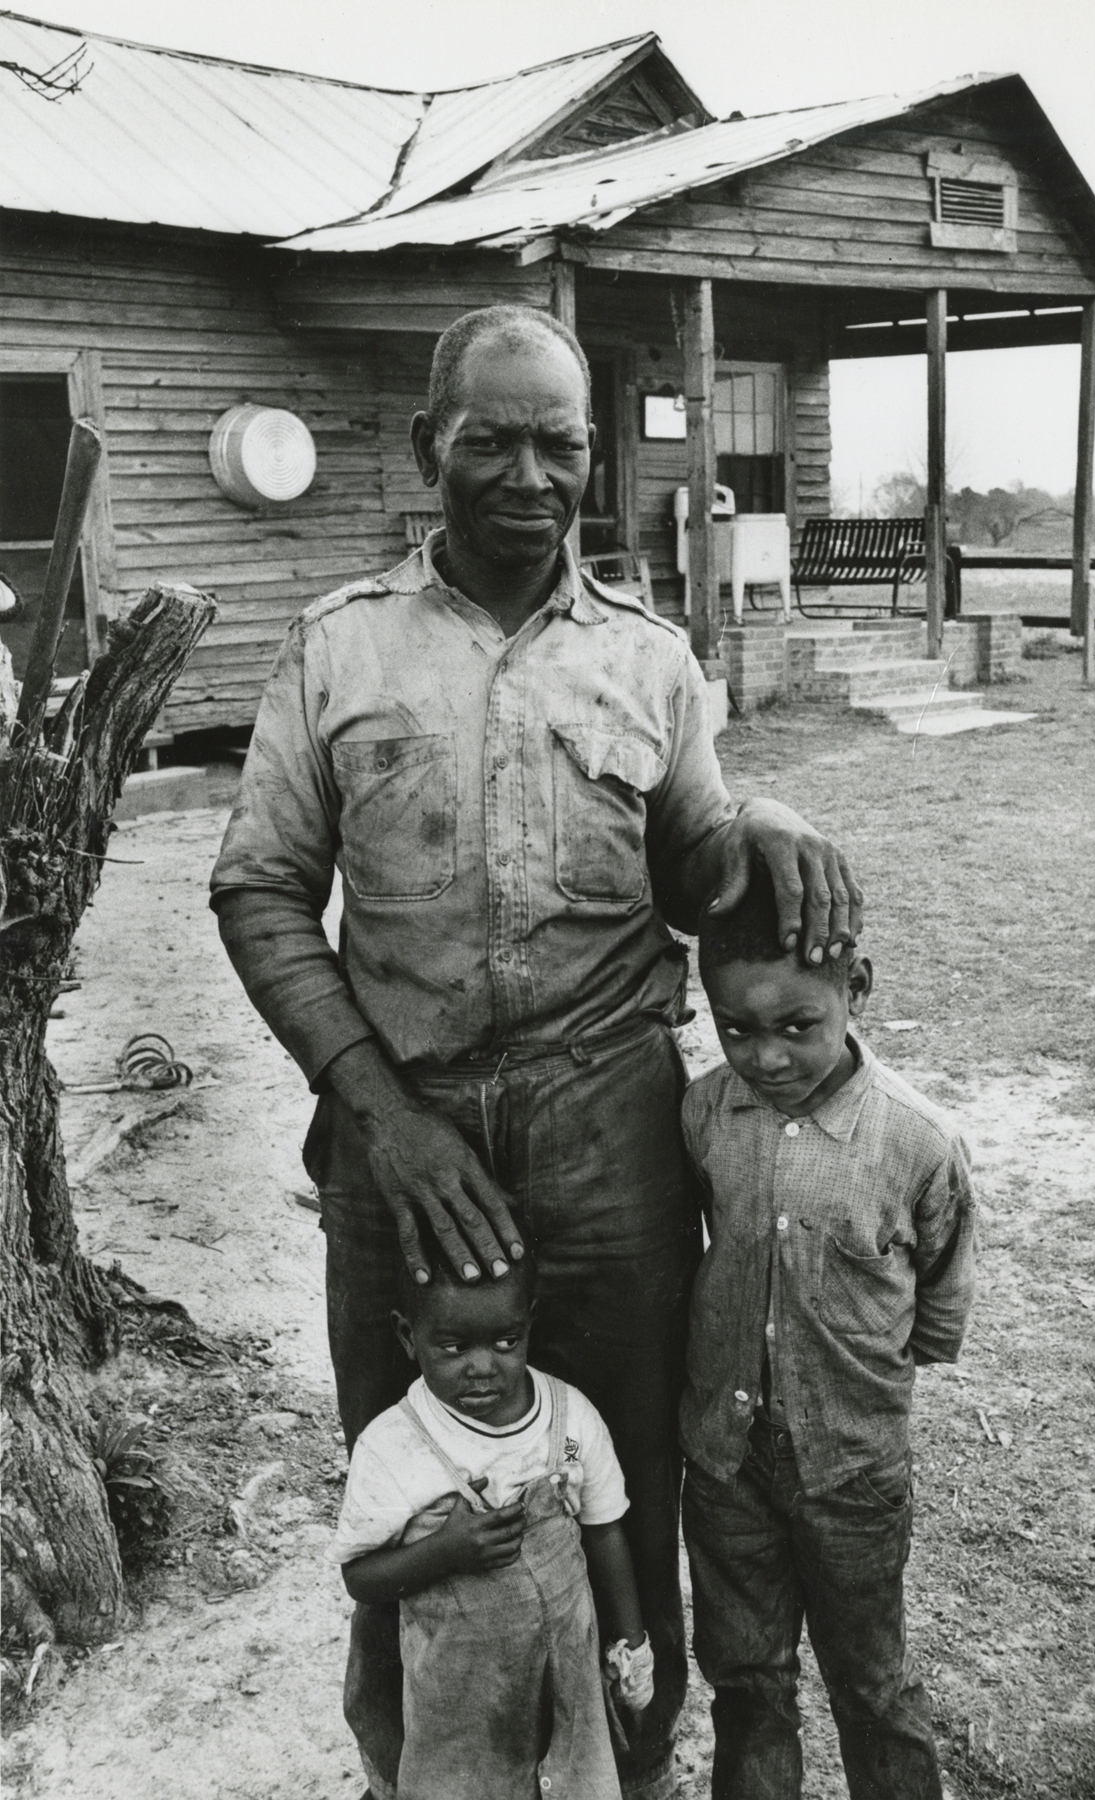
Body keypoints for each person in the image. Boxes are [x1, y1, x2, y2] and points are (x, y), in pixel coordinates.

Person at [209, 302, 862, 1800]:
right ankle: (416, 1769)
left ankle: (619, 1761)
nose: (525, 473)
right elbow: (257, 887)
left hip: (606, 1137)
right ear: (431, 444)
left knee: (620, 1475)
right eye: (489, 440)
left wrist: (754, 819)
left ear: (590, 459)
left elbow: (694, 871)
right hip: (399, 1139)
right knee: (409, 1478)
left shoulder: (648, 662)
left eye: (556, 444)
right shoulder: (336, 648)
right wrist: (380, 1112)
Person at [679, 871, 976, 1800]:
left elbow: (938, 1296)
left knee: (870, 1683)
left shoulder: (916, 1141)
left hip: (851, 1470)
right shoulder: (702, 1114)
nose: (763, 1056)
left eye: (795, 1026)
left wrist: (858, 1378)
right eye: (735, 1029)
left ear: (857, 989)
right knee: (746, 1682)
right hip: (724, 1466)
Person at [332, 1226, 653, 1800]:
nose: (482, 1367)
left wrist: (631, 1646)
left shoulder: (569, 1420)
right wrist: (444, 1551)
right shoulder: (395, 1445)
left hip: (567, 1682)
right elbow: (360, 1578)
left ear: (529, 1325)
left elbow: (604, 1533)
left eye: (505, 1342)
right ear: (409, 1337)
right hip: (459, 1702)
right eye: (453, 1347)